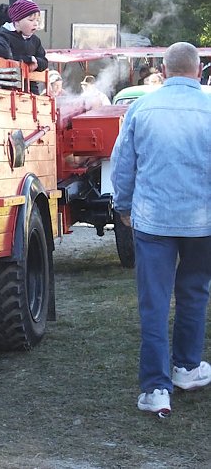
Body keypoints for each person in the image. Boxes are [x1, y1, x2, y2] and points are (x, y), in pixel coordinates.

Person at [111, 42, 211, 416]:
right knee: (194, 291)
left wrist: (122, 206)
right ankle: (186, 366)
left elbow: (124, 164)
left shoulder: (141, 107)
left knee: (153, 303)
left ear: (164, 70)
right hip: (203, 220)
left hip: (153, 219)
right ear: (197, 70)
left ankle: (156, 389)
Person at [0, 0, 48, 72]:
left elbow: (44, 61)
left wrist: (37, 62)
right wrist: (28, 59)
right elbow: (6, 58)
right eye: (31, 20)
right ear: (17, 21)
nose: (35, 23)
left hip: (29, 81)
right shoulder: (3, 36)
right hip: (7, 80)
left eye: (37, 20)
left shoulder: (35, 40)